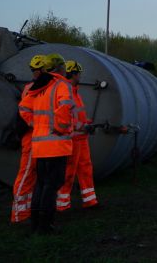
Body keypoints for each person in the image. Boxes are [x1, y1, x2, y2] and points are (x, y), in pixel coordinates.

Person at [19, 53, 74, 234]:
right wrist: (60, 128)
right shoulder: (61, 85)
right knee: (52, 185)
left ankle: (35, 224)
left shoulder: (39, 86)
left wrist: (35, 124)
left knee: (41, 184)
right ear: (59, 68)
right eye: (64, 67)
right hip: (56, 145)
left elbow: (23, 107)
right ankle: (45, 226)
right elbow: (65, 107)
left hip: (39, 146)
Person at [56, 60, 99, 212]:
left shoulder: (74, 92)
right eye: (79, 74)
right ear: (73, 74)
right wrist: (83, 126)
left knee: (86, 169)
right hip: (71, 139)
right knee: (68, 172)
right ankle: (62, 205)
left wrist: (87, 123)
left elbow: (76, 115)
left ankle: (90, 201)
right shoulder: (66, 92)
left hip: (81, 138)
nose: (80, 76)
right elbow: (65, 118)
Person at [10, 54, 48, 224]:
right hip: (32, 138)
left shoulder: (33, 87)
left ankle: (26, 211)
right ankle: (19, 215)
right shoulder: (34, 88)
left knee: (32, 175)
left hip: (37, 137)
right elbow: (26, 113)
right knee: (26, 175)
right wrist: (38, 124)